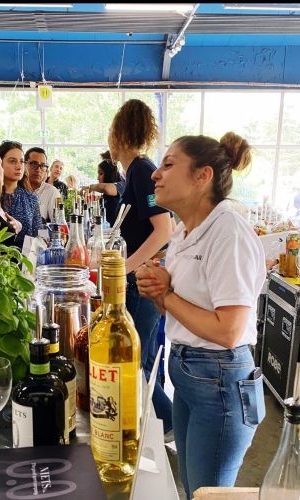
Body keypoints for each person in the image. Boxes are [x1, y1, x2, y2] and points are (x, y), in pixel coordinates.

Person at [136, 133, 266, 497]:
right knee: (192, 487)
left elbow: (228, 330)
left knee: (208, 494)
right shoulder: (184, 232)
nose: (155, 175)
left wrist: (167, 293)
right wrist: (156, 291)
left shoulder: (227, 231)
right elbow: (179, 312)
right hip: (188, 371)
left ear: (202, 176)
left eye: (168, 164)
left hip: (220, 380)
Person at [108, 99, 174, 436]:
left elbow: (164, 229)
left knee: (134, 363)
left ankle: (167, 421)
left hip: (139, 281)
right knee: (142, 360)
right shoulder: (136, 172)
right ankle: (160, 425)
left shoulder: (143, 172)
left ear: (117, 135)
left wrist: (125, 269)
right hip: (139, 276)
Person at [0, 140, 44, 250]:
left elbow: (38, 234)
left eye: (22, 161)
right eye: (12, 161)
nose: (19, 166)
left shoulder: (31, 198)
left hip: (25, 261)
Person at [84, 150, 125, 227]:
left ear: (109, 173)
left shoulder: (120, 184)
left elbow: (105, 188)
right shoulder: (106, 194)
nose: (98, 177)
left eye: (101, 173)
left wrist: (90, 187)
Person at [25, 146, 60, 223]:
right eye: (34, 164)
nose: (38, 170)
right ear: (24, 165)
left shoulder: (52, 192)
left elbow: (57, 224)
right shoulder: (16, 189)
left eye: (43, 166)